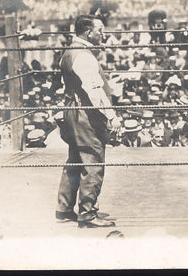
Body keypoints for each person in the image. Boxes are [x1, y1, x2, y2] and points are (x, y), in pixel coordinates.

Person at [56, 15, 123, 228]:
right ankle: (87, 214)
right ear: (88, 32)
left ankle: (64, 209)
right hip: (85, 114)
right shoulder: (85, 56)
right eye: (100, 30)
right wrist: (112, 116)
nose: (103, 34)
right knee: (93, 161)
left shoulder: (68, 52)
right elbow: (94, 91)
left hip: (71, 111)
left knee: (75, 159)